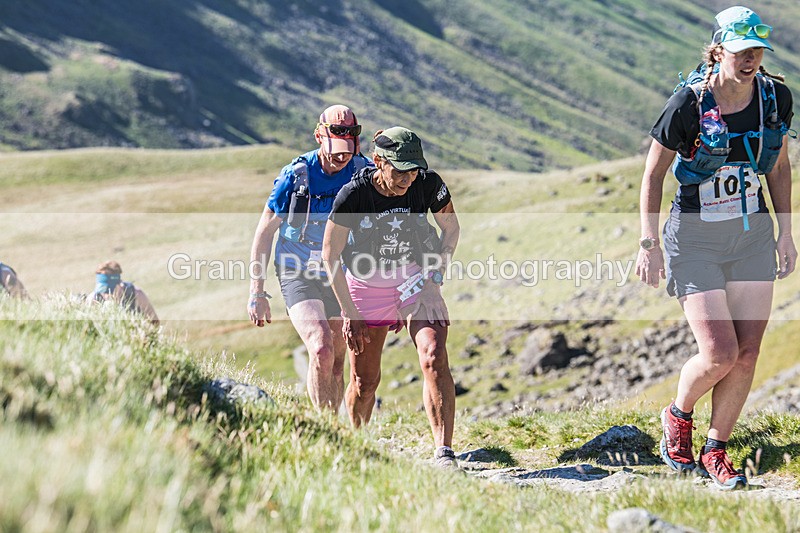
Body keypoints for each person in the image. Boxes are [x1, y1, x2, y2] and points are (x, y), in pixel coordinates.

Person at [636, 6, 796, 490]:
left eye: (756, 50)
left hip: (752, 236)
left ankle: (716, 450)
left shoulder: (774, 99)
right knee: (720, 352)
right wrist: (648, 243)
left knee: (748, 352)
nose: (749, 59)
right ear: (718, 48)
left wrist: (786, 232)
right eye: (740, 50)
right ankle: (678, 415)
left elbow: (780, 168)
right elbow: (653, 175)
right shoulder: (688, 103)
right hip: (695, 238)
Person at [322, 127, 461, 468]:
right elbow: (330, 254)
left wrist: (434, 281)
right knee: (364, 382)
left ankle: (444, 453)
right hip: (366, 288)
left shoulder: (427, 184)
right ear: (378, 162)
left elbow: (452, 228)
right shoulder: (353, 195)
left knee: (433, 354)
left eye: (414, 169)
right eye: (400, 170)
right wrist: (350, 313)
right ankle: (356, 446)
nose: (408, 179)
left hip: (416, 281)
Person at [248, 104, 372, 411]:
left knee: (338, 360)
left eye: (348, 150)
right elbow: (265, 232)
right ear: (319, 136)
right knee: (320, 348)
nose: (341, 157)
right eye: (335, 151)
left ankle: (336, 428)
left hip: (339, 272)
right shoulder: (296, 176)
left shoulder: (362, 172)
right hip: (296, 269)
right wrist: (257, 292)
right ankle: (325, 426)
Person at [92, 260, 160, 325]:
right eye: (102, 290)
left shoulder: (136, 295)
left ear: (119, 283)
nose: (106, 295)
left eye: (109, 289)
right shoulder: (93, 299)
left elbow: (155, 322)